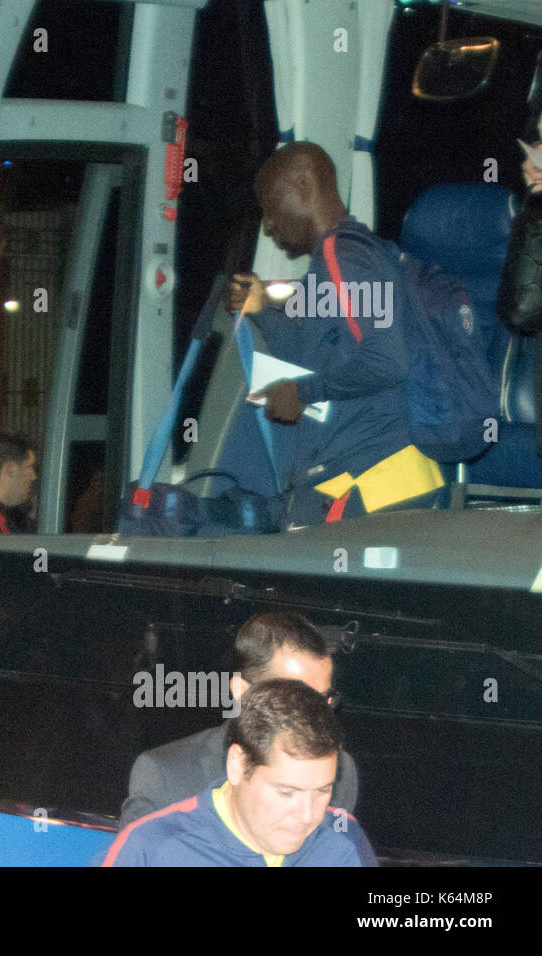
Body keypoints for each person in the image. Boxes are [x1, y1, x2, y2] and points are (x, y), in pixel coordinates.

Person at [227, 141, 444, 527]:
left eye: (270, 204)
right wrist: (260, 310)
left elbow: (387, 361)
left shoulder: (343, 257)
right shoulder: (344, 257)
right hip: (373, 481)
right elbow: (311, 351)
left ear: (305, 186)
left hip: (373, 484)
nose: (267, 224)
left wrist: (302, 392)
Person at [104, 679, 377, 867]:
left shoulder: (343, 840)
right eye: (286, 792)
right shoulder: (152, 848)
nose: (308, 816)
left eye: (322, 791)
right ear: (237, 765)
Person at [120, 612, 358, 826]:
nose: (314, 716)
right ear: (242, 692)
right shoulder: (166, 775)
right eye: (293, 699)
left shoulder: (339, 772)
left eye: (323, 700)